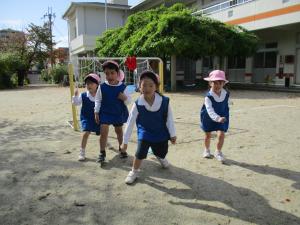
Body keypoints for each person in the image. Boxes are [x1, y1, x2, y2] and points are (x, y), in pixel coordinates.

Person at [121, 70, 176, 184]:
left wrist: (172, 134)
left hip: (160, 132)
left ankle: (160, 157)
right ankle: (134, 172)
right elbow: (130, 122)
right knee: (140, 152)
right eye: (144, 85)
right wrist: (125, 141)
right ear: (139, 87)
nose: (147, 88)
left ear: (156, 87)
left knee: (161, 151)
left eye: (151, 85)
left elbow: (169, 119)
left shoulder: (165, 102)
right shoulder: (137, 104)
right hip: (145, 132)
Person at [94, 60, 131, 163]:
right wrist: (96, 112)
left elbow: (129, 102)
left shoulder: (123, 87)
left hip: (118, 113)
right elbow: (98, 100)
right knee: (103, 132)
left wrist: (124, 98)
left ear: (117, 73)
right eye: (107, 73)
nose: (109, 76)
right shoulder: (102, 87)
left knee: (119, 131)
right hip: (105, 113)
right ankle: (102, 152)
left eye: (112, 73)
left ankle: (121, 148)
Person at [200, 70, 229, 162]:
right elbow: (210, 110)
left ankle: (218, 152)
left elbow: (226, 103)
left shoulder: (226, 94)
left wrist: (229, 104)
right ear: (210, 83)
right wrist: (217, 118)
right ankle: (206, 150)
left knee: (221, 135)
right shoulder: (208, 97)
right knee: (208, 135)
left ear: (223, 83)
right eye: (215, 83)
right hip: (208, 117)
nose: (218, 85)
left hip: (222, 116)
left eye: (220, 82)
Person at [72, 73, 101, 161]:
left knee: (102, 134)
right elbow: (76, 103)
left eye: (92, 83)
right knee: (85, 133)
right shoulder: (84, 95)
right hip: (86, 118)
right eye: (87, 83)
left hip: (98, 118)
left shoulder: (101, 95)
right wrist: (75, 96)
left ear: (97, 85)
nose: (89, 85)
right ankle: (82, 152)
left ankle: (102, 150)